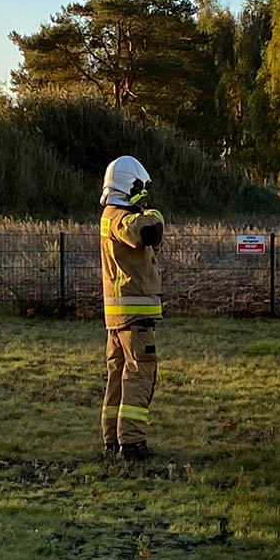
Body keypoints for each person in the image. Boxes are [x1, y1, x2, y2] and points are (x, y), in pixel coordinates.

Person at [99, 156, 165, 462]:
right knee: (139, 375)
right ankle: (133, 443)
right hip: (133, 317)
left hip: (118, 318)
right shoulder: (120, 218)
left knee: (117, 377)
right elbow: (147, 233)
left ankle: (113, 440)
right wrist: (155, 215)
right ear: (130, 186)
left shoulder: (110, 215)